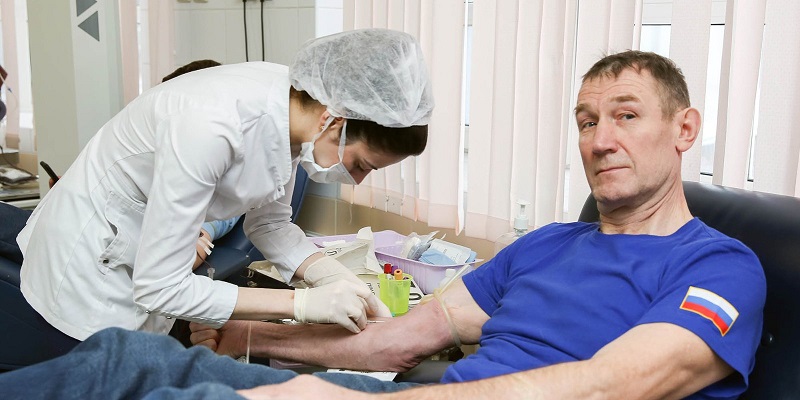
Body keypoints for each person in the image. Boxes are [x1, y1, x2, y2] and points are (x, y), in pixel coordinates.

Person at [0, 50, 765, 400]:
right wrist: (244, 339)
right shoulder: (545, 246)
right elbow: (399, 339)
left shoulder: (721, 267)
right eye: (587, 121)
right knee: (125, 359)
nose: (599, 140)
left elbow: (610, 386)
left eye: (626, 116)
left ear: (685, 129)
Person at [14, 28, 433, 359]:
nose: (356, 180)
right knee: (90, 375)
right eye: (361, 165)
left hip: (139, 253)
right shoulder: (211, 126)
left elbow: (269, 224)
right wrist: (302, 305)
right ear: (336, 122)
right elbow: (160, 287)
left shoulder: (292, 116)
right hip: (88, 262)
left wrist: (333, 276)